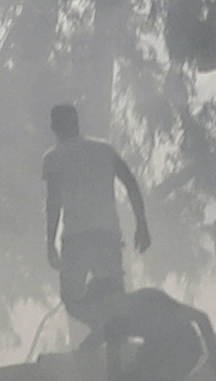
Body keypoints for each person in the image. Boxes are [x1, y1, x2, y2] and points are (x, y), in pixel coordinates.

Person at [42, 103, 149, 326]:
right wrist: (142, 224)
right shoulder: (104, 149)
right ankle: (109, 332)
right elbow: (130, 182)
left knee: (72, 300)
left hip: (76, 237)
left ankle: (104, 328)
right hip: (106, 234)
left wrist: (50, 243)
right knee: (114, 299)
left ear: (54, 127)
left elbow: (53, 203)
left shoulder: (53, 158)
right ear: (77, 123)